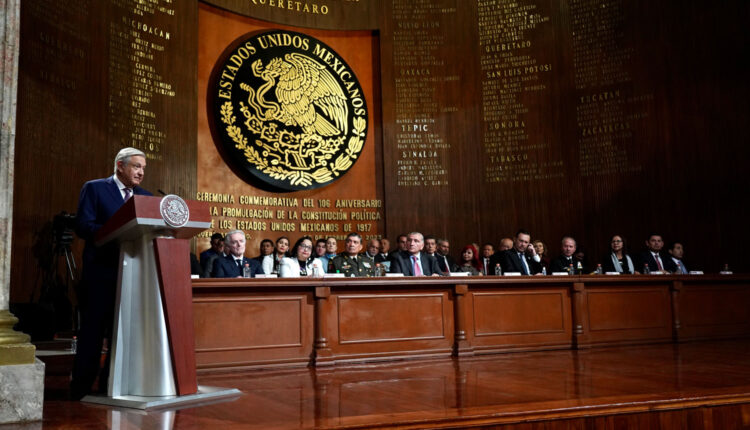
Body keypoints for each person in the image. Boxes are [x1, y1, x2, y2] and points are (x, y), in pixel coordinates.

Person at [71, 147, 152, 399]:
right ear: (120, 165)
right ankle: (81, 389)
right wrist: (116, 232)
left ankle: (112, 387)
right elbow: (84, 225)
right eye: (136, 166)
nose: (140, 172)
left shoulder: (145, 197)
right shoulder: (95, 188)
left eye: (143, 168)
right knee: (93, 334)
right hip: (100, 274)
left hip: (132, 276)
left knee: (122, 336)